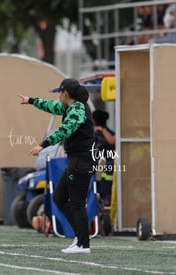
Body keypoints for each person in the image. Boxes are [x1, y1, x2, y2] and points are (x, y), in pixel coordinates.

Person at [19, 79, 95, 254]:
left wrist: (43, 145)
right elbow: (51, 106)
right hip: (75, 160)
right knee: (59, 197)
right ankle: (80, 237)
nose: (58, 96)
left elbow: (65, 129)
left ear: (65, 93)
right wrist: (31, 100)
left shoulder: (78, 109)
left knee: (76, 203)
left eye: (59, 93)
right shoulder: (70, 107)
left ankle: (83, 244)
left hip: (81, 161)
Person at [92, 110, 116, 206]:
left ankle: (103, 197)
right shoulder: (97, 133)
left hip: (104, 165)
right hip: (101, 165)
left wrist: (101, 129)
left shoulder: (104, 133)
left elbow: (111, 141)